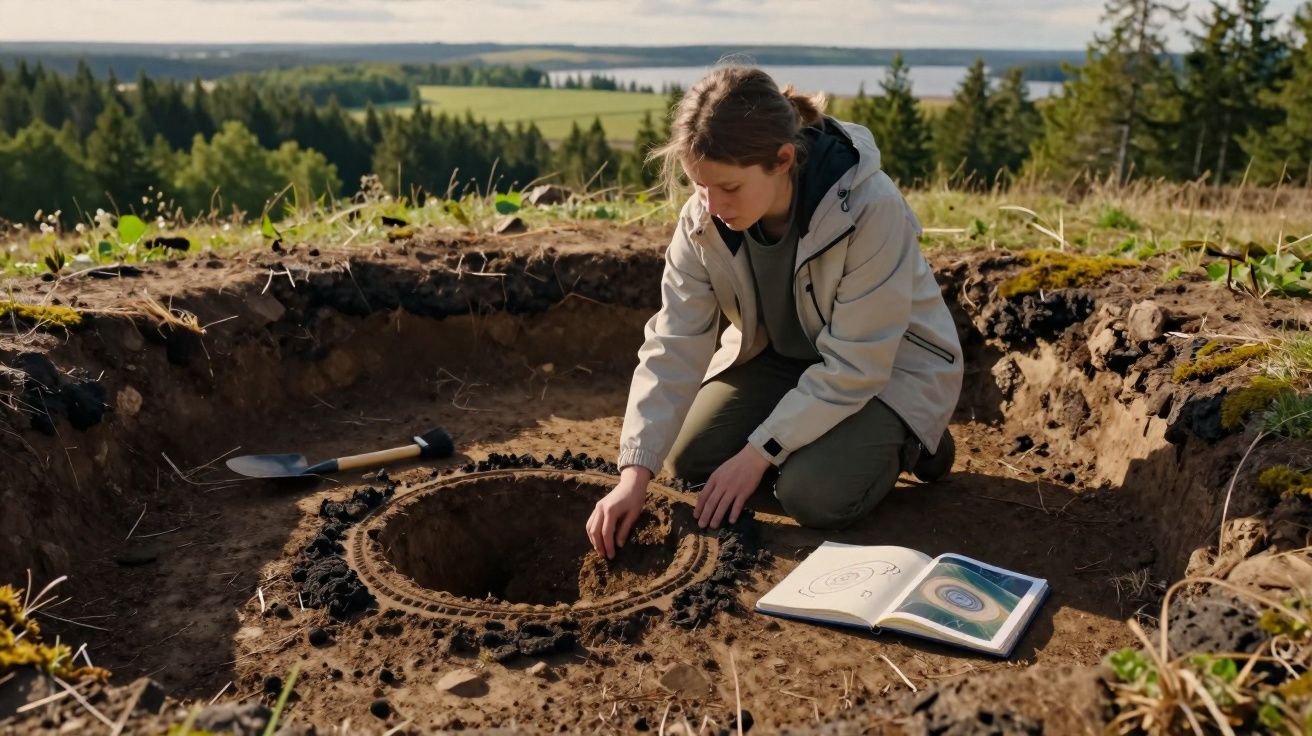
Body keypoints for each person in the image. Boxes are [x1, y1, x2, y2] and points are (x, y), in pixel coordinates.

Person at [586, 66, 964, 559]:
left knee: (812, 494)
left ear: (782, 159)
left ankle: (914, 438)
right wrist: (633, 472)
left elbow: (858, 364)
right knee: (687, 457)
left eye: (729, 188)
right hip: (783, 361)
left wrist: (759, 452)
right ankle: (817, 438)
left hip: (886, 371)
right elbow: (675, 340)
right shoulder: (703, 219)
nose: (712, 205)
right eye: (700, 186)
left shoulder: (871, 207)